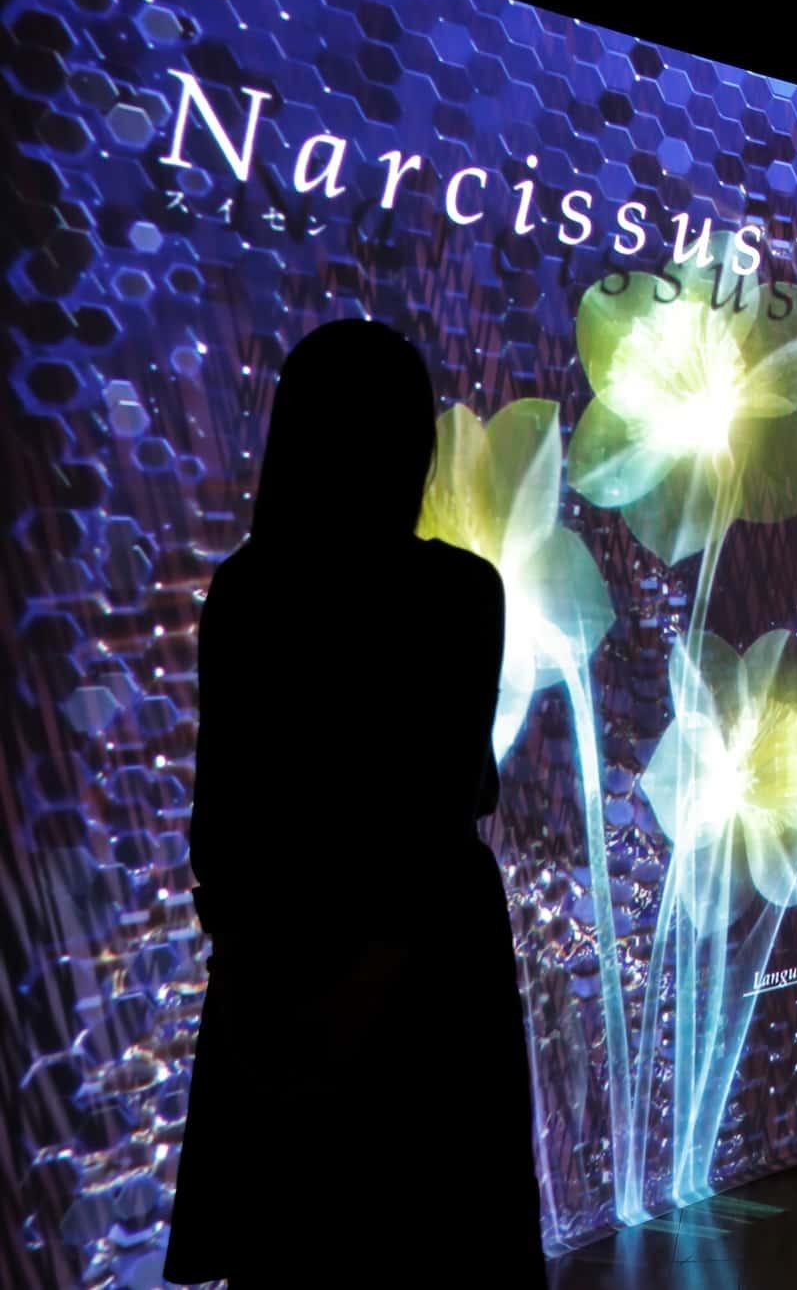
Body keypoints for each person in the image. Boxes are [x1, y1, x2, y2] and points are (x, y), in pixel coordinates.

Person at [164, 320, 547, 1287]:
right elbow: (453, 796)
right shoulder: (463, 593)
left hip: (278, 957)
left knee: (294, 1245)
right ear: (413, 448)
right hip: (433, 977)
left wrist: (269, 980)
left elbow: (221, 827)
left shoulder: (245, 591)